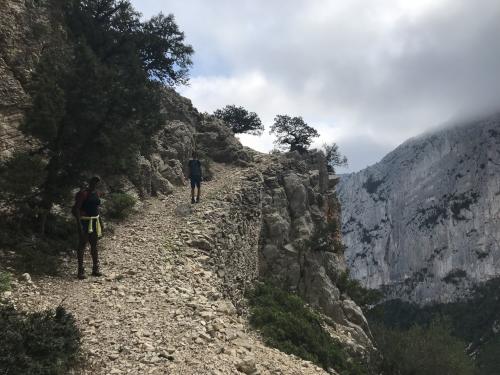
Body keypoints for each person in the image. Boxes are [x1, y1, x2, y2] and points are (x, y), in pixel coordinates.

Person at [73, 176, 103, 279]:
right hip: (85, 222)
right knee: (82, 245)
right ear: (90, 182)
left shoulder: (97, 193)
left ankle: (95, 268)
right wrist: (79, 225)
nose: (95, 184)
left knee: (94, 245)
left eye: (97, 182)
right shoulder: (83, 194)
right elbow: (77, 209)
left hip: (95, 221)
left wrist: (101, 222)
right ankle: (80, 270)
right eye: (94, 181)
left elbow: (97, 208)